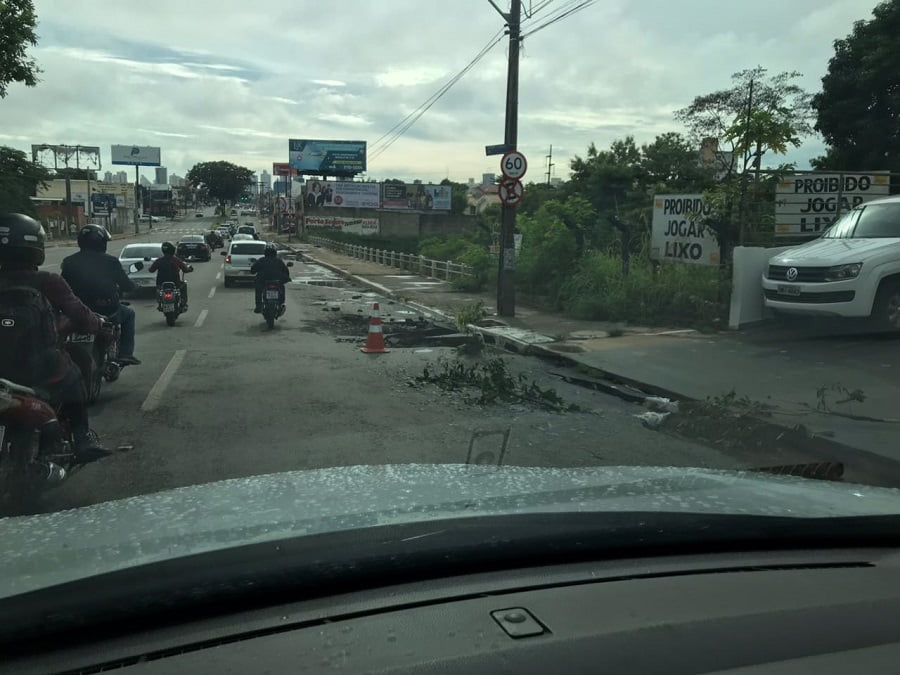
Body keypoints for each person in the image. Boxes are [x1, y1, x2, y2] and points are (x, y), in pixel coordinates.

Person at [0, 213, 111, 458]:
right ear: (35, 247)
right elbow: (79, 313)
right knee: (73, 377)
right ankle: (82, 439)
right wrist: (96, 324)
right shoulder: (46, 280)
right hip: (39, 364)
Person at [61, 224, 141, 366]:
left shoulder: (69, 261)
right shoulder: (111, 261)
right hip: (106, 309)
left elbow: (63, 286)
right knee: (129, 314)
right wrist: (134, 287)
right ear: (102, 242)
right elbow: (125, 283)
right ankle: (126, 354)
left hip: (77, 311)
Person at [250, 244, 290, 313]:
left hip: (263, 281)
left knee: (258, 289)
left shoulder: (261, 260)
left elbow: (253, 270)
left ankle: (259, 305)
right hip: (276, 281)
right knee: (282, 287)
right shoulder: (279, 261)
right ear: (275, 252)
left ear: (265, 252)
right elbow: (286, 271)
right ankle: (281, 303)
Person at [149, 242, 191, 308]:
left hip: (161, 283)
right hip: (175, 283)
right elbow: (185, 269)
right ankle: (183, 302)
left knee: (158, 290)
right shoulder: (176, 260)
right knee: (184, 285)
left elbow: (151, 270)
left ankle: (159, 302)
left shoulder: (159, 261)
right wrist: (189, 269)